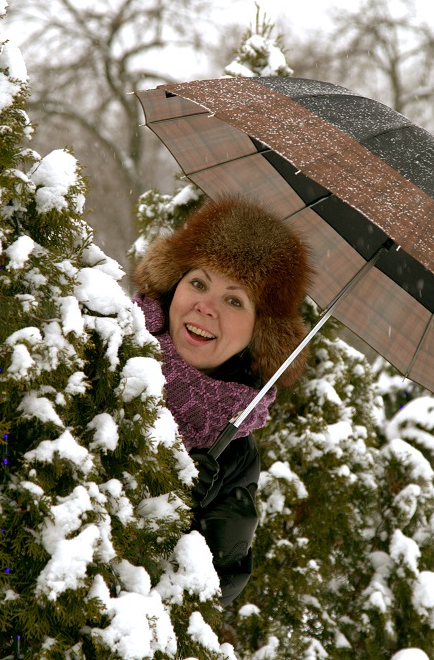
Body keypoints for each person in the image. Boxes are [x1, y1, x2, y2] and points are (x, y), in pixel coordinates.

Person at [132, 197, 312, 605]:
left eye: (235, 300)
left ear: (259, 333)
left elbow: (202, 601)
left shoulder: (234, 453)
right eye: (198, 282)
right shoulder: (107, 349)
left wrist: (209, 535)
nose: (205, 307)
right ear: (172, 284)